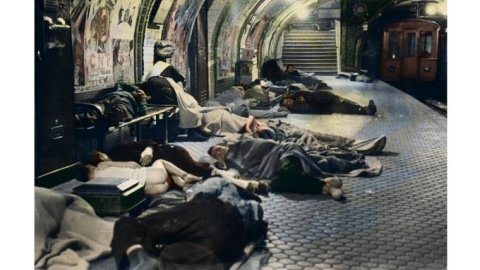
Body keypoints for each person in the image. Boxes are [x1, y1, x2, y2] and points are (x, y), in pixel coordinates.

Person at [207, 138, 383, 200]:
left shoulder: (241, 144)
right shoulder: (231, 164)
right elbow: (237, 173)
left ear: (223, 145)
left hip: (283, 153)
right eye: (216, 154)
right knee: (283, 181)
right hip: (277, 168)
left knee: (279, 183)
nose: (219, 153)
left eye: (218, 149)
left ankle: (324, 186)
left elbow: (264, 147)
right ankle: (326, 185)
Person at [144, 40, 208, 141]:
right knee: (191, 103)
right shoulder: (168, 67)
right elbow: (181, 79)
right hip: (168, 97)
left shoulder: (155, 68)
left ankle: (193, 129)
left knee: (187, 103)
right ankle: (192, 131)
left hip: (155, 99)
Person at [80, 158, 202, 196]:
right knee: (160, 162)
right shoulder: (101, 165)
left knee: (167, 177)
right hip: (151, 176)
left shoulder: (93, 185)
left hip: (151, 190)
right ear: (88, 167)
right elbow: (132, 164)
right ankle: (185, 176)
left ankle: (184, 185)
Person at [281, 89, 377, 115]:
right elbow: (308, 108)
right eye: (287, 103)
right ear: (287, 106)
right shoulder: (296, 108)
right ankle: (365, 111)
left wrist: (295, 96)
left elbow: (301, 92)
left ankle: (364, 108)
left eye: (288, 99)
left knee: (345, 102)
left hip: (325, 99)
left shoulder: (297, 99)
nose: (289, 101)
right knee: (344, 108)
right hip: (325, 106)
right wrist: (302, 99)